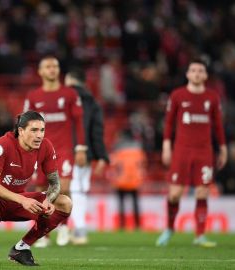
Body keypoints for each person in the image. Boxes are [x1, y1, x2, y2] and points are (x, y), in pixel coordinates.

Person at [0, 111, 72, 266]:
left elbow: (55, 183)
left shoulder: (45, 146)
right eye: (34, 130)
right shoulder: (4, 144)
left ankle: (21, 248)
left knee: (65, 202)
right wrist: (23, 200)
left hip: (16, 201)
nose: (39, 135)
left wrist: (48, 200)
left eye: (42, 130)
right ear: (21, 131)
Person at [156, 59, 227, 248]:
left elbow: (218, 125)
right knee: (175, 194)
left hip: (204, 151)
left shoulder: (212, 97)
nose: (196, 74)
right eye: (193, 70)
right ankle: (170, 228)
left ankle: (200, 235)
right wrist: (166, 146)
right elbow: (169, 122)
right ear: (188, 74)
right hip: (182, 150)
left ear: (205, 75)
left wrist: (223, 147)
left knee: (202, 191)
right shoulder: (178, 95)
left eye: (200, 71)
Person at [23, 56, 87, 247]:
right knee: (41, 192)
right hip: (39, 150)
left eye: (55, 66)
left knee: (64, 188)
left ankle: (64, 228)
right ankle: (43, 233)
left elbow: (79, 122)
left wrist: (81, 148)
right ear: (41, 72)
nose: (52, 69)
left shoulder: (70, 94)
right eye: (48, 67)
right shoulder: (33, 97)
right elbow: (23, 124)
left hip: (64, 149)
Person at [64, 68, 109, 244]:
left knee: (66, 190)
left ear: (68, 78)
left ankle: (68, 228)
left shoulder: (64, 98)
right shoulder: (92, 101)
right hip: (86, 152)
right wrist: (101, 156)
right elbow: (97, 131)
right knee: (79, 189)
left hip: (63, 150)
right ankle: (78, 230)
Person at [109, 129, 146, 231]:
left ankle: (122, 225)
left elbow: (114, 165)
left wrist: (113, 179)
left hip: (121, 181)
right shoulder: (137, 149)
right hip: (134, 181)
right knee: (135, 204)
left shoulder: (117, 149)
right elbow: (142, 165)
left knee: (121, 204)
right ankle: (138, 225)